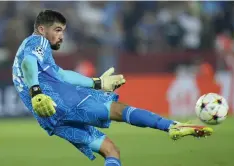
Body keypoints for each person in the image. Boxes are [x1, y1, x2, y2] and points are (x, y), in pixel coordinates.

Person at [12, 10, 213, 166]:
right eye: (57, 30)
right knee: (118, 109)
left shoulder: (33, 53)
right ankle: (172, 126)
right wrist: (36, 92)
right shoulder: (36, 41)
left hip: (49, 118)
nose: (61, 36)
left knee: (111, 151)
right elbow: (28, 63)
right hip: (61, 100)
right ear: (41, 29)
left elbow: (62, 75)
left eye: (62, 31)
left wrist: (97, 83)